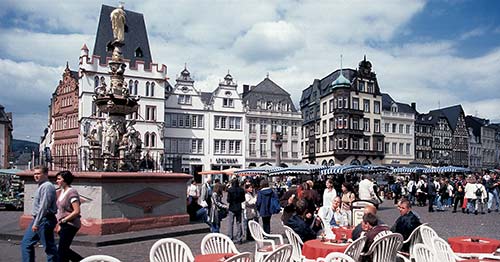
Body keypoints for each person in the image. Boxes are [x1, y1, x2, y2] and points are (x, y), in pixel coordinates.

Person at [21, 166, 59, 262]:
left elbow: (44, 207)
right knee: (26, 243)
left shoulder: (47, 186)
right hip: (39, 219)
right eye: (35, 174)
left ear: (45, 174)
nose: (36, 176)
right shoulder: (41, 186)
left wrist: (36, 223)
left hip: (44, 219)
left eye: (38, 173)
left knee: (49, 247)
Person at [55, 171, 83, 262]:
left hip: (70, 224)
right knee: (64, 250)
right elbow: (61, 210)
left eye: (59, 179)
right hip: (63, 224)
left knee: (62, 251)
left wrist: (64, 220)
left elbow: (76, 211)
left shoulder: (72, 192)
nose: (57, 181)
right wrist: (59, 224)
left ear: (65, 180)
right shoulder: (62, 191)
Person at [227, 179, 245, 244]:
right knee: (239, 223)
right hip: (238, 207)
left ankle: (230, 237)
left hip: (232, 207)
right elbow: (243, 199)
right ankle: (239, 238)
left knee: (230, 223)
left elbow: (228, 200)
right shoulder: (241, 190)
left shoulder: (230, 190)